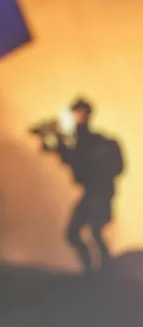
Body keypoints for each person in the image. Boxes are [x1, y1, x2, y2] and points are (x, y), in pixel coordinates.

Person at [37, 97, 124, 272]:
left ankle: (102, 273)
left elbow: (115, 167)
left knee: (92, 231)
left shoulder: (98, 143)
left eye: (81, 113)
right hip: (94, 192)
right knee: (80, 233)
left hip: (98, 193)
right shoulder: (82, 142)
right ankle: (96, 273)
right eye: (76, 114)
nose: (79, 118)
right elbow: (65, 155)